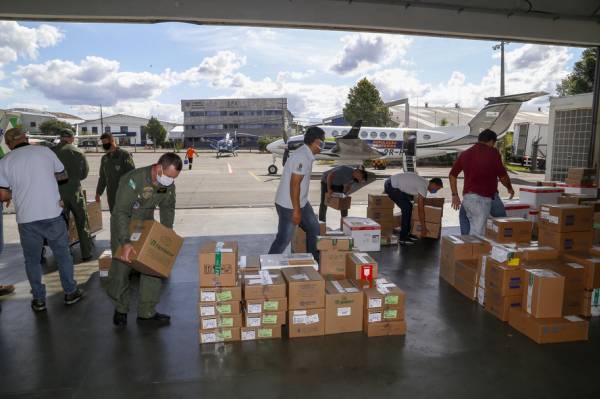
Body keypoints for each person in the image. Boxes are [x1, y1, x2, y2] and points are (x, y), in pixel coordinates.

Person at [0, 128, 83, 312]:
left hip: (27, 219)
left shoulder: (4, 161)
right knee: (63, 255)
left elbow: (3, 194)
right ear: (26, 138)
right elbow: (63, 176)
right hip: (52, 214)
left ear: (8, 144)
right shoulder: (45, 152)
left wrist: (16, 191)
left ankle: (38, 299)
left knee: (32, 260)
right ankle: (70, 292)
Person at [107, 152, 181, 327]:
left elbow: (167, 207)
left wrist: (166, 234)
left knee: (153, 265)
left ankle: (147, 312)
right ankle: (121, 308)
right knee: (121, 268)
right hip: (124, 223)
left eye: (174, 178)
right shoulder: (134, 180)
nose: (170, 180)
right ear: (159, 167)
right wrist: (125, 242)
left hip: (146, 223)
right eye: (169, 176)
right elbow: (121, 212)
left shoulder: (168, 184)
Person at [268, 127, 325, 260]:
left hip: (301, 202)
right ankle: (266, 265)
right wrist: (296, 211)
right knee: (283, 239)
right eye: (322, 142)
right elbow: (294, 185)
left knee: (314, 228)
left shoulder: (306, 154)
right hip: (289, 205)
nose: (323, 146)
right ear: (316, 142)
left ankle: (314, 262)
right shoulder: (302, 157)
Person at [449, 129, 514, 236]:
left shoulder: (465, 154)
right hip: (482, 200)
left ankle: (464, 246)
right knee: (479, 233)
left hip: (468, 198)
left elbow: (452, 175)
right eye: (494, 143)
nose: (493, 146)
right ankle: (472, 249)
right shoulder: (492, 153)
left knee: (464, 217)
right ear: (491, 141)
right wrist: (509, 188)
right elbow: (503, 176)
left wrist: (454, 195)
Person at [53, 128, 93, 262]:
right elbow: (84, 174)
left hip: (57, 192)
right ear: (71, 138)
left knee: (60, 224)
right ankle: (86, 252)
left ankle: (64, 254)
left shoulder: (51, 152)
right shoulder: (78, 152)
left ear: (60, 137)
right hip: (75, 190)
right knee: (82, 221)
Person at [384, 172, 443, 245]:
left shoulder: (423, 182)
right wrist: (423, 227)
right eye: (437, 189)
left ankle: (407, 233)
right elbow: (420, 209)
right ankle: (403, 238)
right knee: (407, 208)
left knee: (409, 206)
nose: (436, 191)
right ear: (433, 184)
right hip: (391, 186)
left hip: (392, 183)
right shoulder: (423, 186)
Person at [95, 133, 135, 213]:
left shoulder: (124, 155)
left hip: (124, 193)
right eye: (102, 142)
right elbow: (102, 178)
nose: (104, 144)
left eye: (105, 142)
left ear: (112, 141)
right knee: (114, 216)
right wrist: (98, 193)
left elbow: (132, 175)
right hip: (111, 195)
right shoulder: (105, 158)